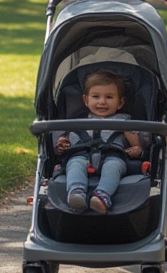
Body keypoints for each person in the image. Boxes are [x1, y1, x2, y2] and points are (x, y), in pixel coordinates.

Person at [55, 70, 143, 214]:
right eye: (96, 97)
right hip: (82, 155)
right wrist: (61, 145)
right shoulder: (77, 121)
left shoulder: (125, 121)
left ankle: (102, 195)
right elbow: (64, 146)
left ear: (120, 102)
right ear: (86, 100)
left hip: (113, 156)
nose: (102, 102)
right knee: (74, 164)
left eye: (109, 97)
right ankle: (77, 192)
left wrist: (135, 143)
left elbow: (138, 145)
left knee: (113, 167)